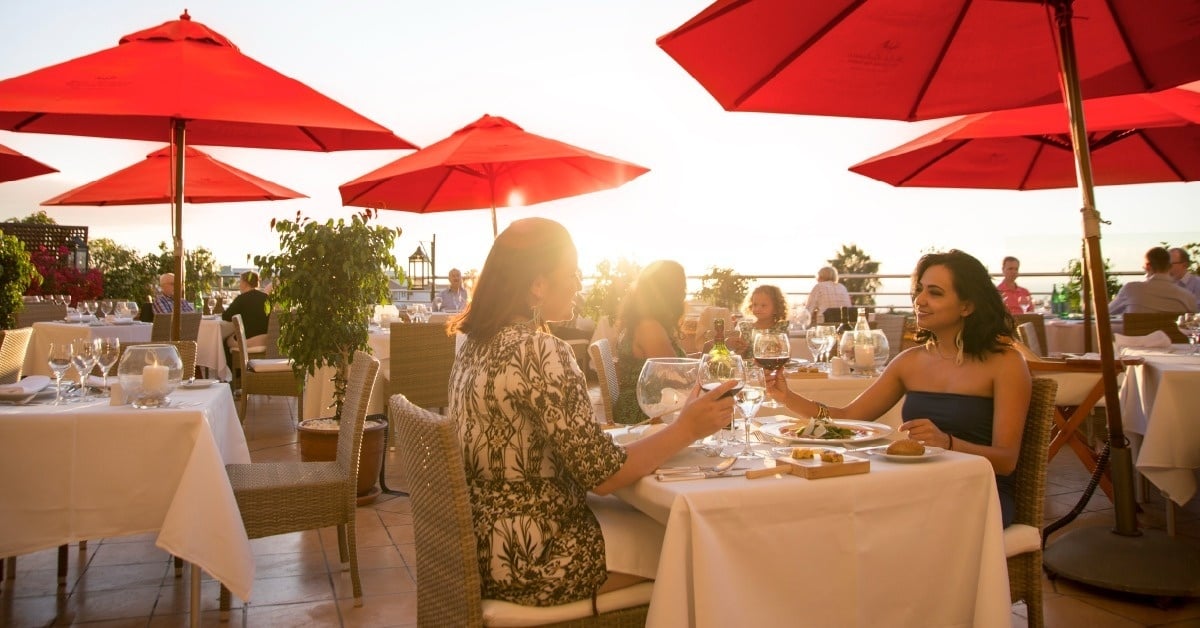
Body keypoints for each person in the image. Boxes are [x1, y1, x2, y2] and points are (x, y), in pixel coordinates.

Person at [447, 218, 734, 607]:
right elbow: (602, 475)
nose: (579, 284)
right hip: (533, 556)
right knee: (698, 541)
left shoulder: (473, 345)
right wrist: (687, 428)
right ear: (537, 284)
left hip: (481, 546)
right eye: (572, 273)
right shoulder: (539, 350)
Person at [767, 249, 1031, 527]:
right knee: (832, 511)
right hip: (917, 486)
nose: (920, 300)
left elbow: (1006, 461)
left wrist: (948, 443)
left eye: (935, 292)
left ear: (967, 306)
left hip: (979, 493)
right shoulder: (910, 362)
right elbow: (849, 418)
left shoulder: (1005, 363)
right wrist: (788, 398)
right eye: (919, 290)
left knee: (877, 521)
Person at [613, 260, 689, 424]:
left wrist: (705, 354)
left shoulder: (643, 321)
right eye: (681, 287)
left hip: (648, 404)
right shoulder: (649, 327)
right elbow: (675, 377)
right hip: (646, 411)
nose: (684, 293)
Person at [1108, 246, 1198, 315]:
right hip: (1173, 339)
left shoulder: (1131, 289)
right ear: (1169, 266)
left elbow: (1107, 312)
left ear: (1148, 267)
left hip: (1140, 338)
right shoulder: (1187, 297)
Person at [222, 271, 270, 363]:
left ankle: (236, 373)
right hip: (265, 340)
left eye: (240, 281)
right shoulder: (266, 297)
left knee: (224, 341)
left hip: (247, 340)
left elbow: (226, 316)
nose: (239, 284)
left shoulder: (241, 299)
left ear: (244, 283)